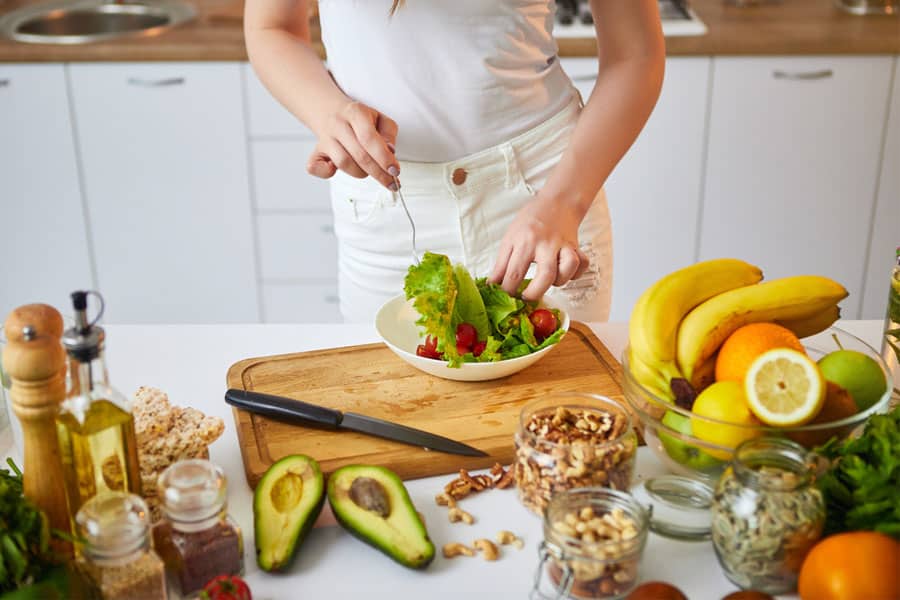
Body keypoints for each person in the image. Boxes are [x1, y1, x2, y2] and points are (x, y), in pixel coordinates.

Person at [245, 0, 665, 323]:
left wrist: (564, 202)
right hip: (387, 211)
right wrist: (327, 112)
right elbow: (272, 27)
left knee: (555, 425)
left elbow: (636, 55)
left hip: (549, 196)